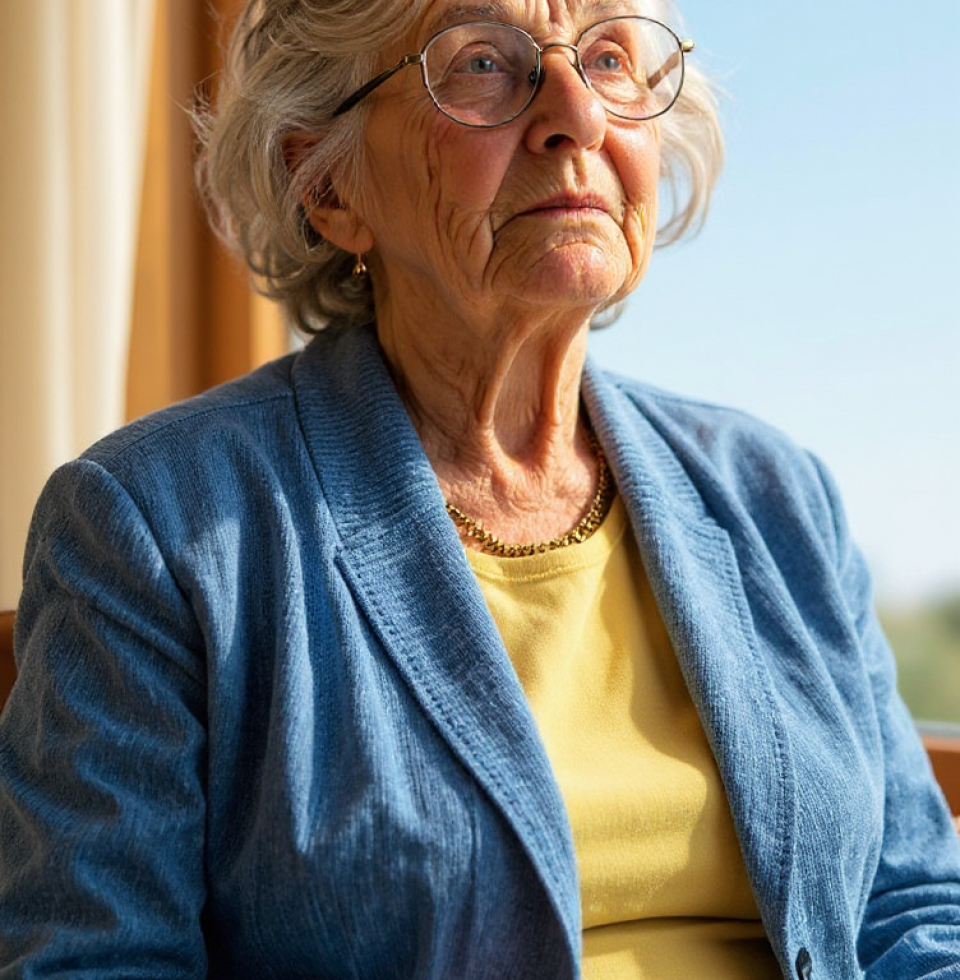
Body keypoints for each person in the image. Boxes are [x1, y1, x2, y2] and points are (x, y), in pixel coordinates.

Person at [0, 0, 958, 976]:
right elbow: (94, 958)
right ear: (325, 184)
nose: (576, 114)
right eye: (483, 65)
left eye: (611, 58)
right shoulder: (155, 526)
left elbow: (912, 903)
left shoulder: (775, 492)